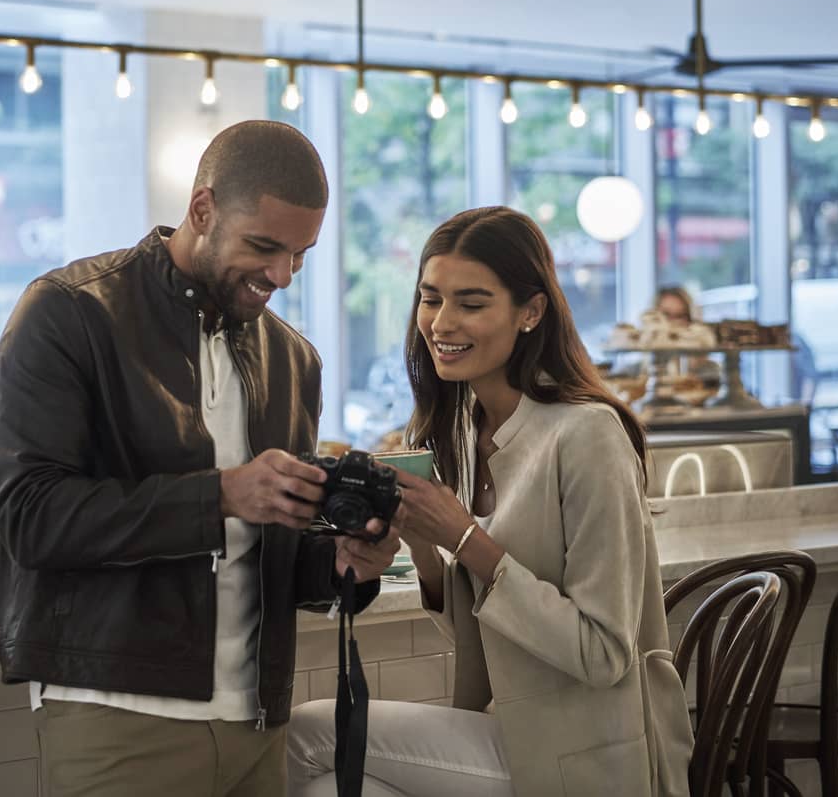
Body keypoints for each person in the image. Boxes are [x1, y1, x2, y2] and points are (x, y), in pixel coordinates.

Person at [0, 120, 401, 797]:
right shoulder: (68, 314)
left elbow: (273, 551)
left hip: (257, 721)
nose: (280, 274)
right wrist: (222, 496)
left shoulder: (294, 360)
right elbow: (33, 519)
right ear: (202, 209)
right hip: (118, 718)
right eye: (264, 246)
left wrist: (343, 565)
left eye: (300, 254)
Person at [288, 206, 693, 796]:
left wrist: (463, 537)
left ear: (531, 312)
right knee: (330, 788)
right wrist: (423, 539)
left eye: (471, 304)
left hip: (586, 753)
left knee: (307, 736)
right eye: (431, 298)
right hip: (512, 733)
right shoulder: (468, 430)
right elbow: (490, 632)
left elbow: (603, 652)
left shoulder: (587, 434)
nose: (441, 323)